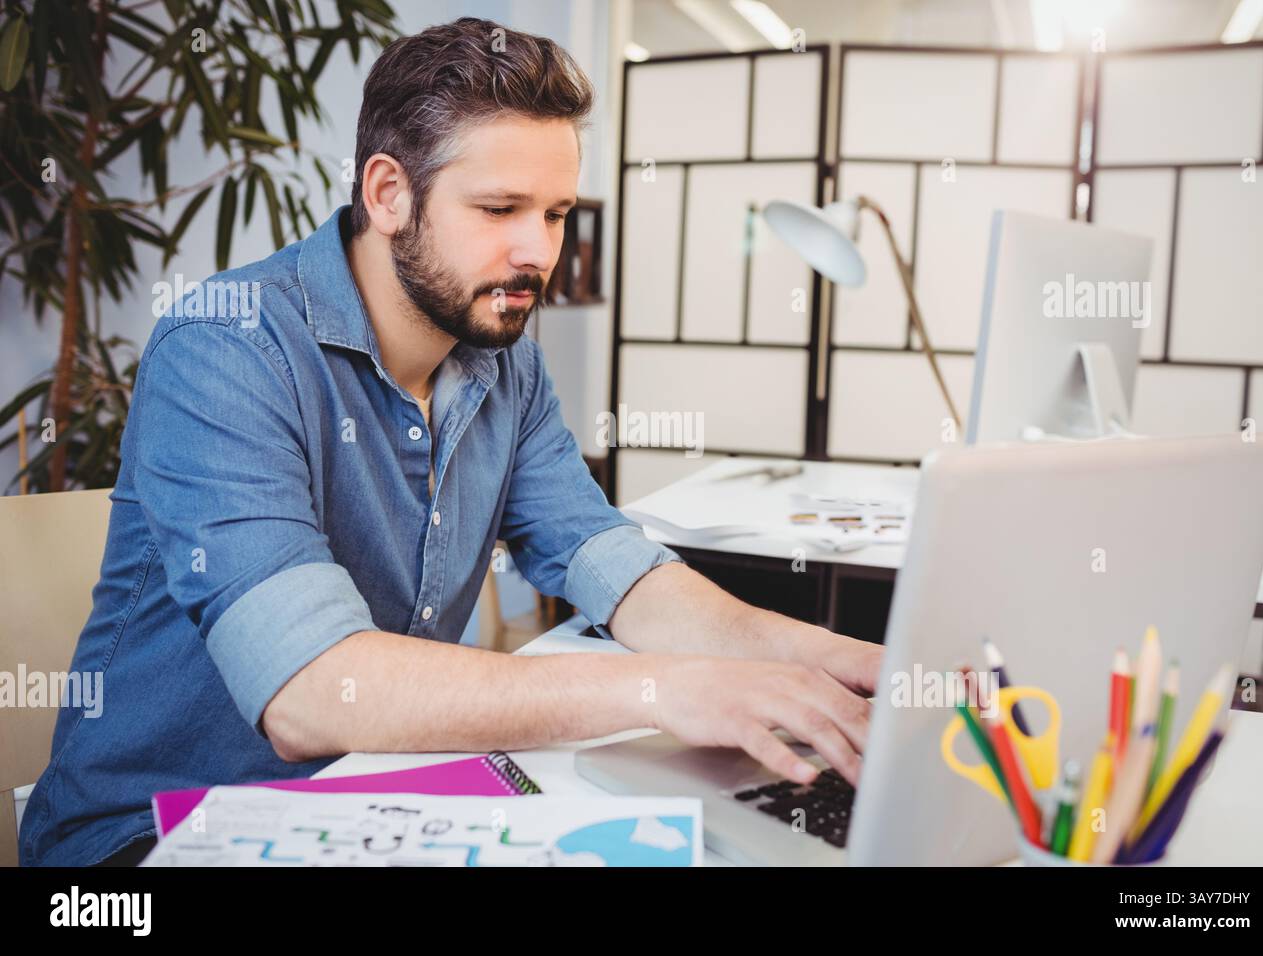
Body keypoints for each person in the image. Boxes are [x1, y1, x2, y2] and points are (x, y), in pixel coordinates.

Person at [21, 17, 880, 867]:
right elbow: (309, 692)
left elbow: (618, 569)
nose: (537, 251)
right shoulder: (226, 347)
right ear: (389, 193)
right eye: (501, 209)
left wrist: (850, 664)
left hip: (375, 801)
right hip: (155, 835)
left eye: (554, 213)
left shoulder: (507, 371)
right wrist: (662, 689)